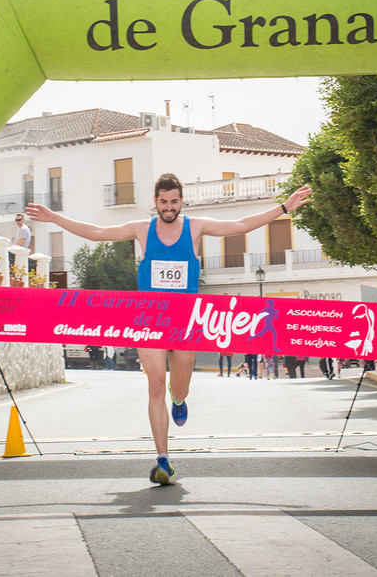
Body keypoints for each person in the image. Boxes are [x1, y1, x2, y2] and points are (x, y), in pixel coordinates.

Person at [26, 173, 311, 485]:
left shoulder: (196, 227)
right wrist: (53, 217)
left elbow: (240, 225)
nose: (169, 207)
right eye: (164, 202)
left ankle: (179, 401)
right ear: (156, 202)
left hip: (185, 322)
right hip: (148, 321)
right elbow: (96, 232)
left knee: (178, 388)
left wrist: (284, 207)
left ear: (181, 200)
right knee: (155, 386)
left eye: (174, 202)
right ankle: (163, 459)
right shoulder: (142, 230)